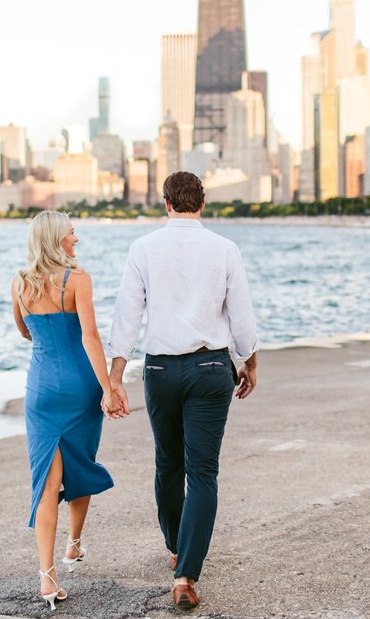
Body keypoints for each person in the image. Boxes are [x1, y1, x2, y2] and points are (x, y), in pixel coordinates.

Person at [106, 171, 259, 610]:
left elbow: (127, 318)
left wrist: (117, 377)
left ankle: (177, 547)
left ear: (167, 202)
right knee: (203, 472)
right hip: (212, 368)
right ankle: (185, 574)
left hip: (160, 370)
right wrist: (249, 362)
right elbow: (242, 317)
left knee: (168, 465)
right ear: (203, 202)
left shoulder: (143, 248)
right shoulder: (225, 249)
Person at [11, 211, 126, 610]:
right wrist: (109, 388)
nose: (77, 237)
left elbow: (24, 330)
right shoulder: (77, 280)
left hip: (41, 389)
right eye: (72, 232)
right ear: (58, 238)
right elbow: (91, 338)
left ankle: (47, 576)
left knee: (45, 480)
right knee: (80, 465)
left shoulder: (20, 282)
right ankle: (73, 544)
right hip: (80, 387)